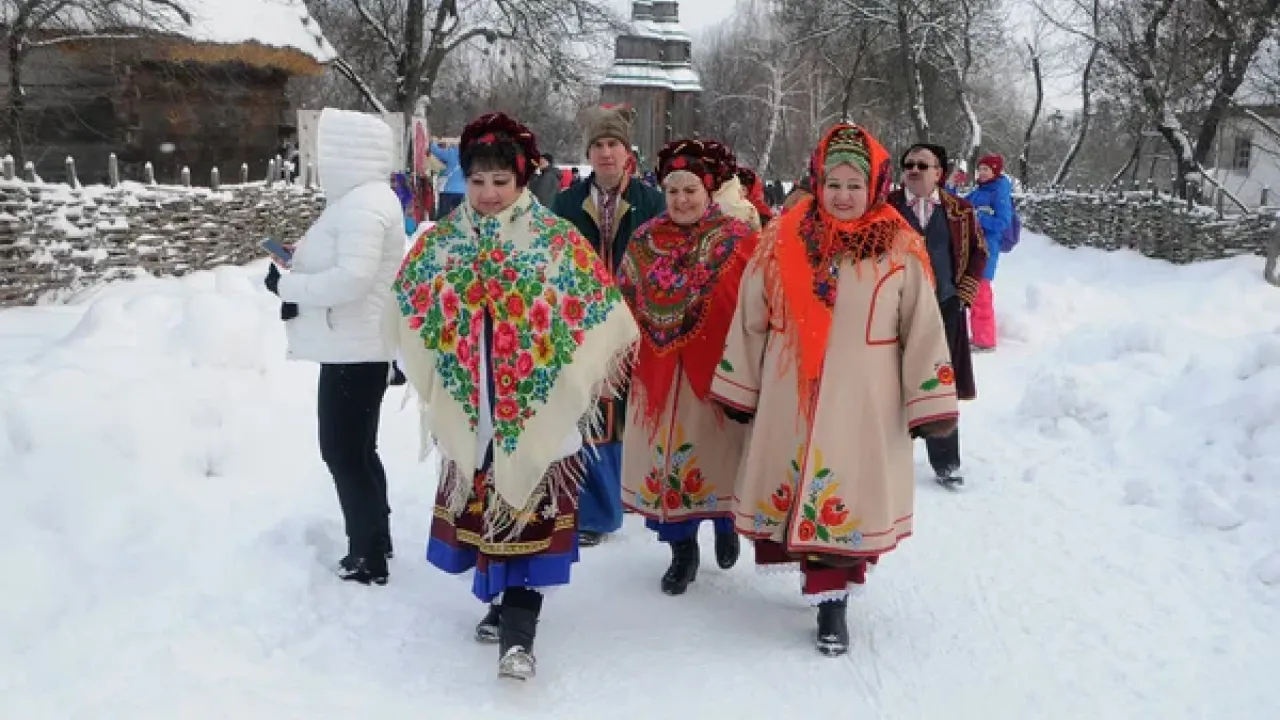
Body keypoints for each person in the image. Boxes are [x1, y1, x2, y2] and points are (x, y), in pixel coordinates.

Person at [386, 112, 638, 681]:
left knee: (528, 518)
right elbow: (410, 303)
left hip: (534, 409)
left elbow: (597, 311)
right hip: (475, 409)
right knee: (490, 510)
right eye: (477, 182)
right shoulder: (443, 243)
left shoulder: (554, 240)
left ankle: (519, 636)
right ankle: (500, 605)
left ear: (522, 182)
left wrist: (581, 372)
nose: (489, 193)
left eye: (500, 182)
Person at [710, 123, 958, 657]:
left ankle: (832, 604)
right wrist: (739, 387)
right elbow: (752, 315)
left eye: (854, 185)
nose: (842, 196)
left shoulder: (899, 245)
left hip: (864, 398)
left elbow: (922, 328)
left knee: (846, 498)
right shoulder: (783, 237)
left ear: (873, 186)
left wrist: (928, 404)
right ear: (816, 182)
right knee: (796, 489)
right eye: (833, 184)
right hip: (788, 393)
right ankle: (819, 582)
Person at [263, 108, 406, 585]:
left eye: (326, 150)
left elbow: (353, 278)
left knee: (343, 453)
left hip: (357, 350)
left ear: (346, 152)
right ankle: (375, 539)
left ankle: (367, 556)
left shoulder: (364, 206)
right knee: (359, 450)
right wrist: (297, 262)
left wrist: (289, 290)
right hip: (353, 345)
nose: (319, 159)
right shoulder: (359, 201)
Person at [617, 139, 759, 595]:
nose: (681, 200)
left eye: (691, 189)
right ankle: (681, 550)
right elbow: (622, 304)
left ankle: (724, 525)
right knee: (669, 465)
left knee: (718, 459)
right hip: (659, 376)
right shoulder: (644, 240)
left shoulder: (739, 240)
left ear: (711, 189)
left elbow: (756, 309)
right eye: (673, 190)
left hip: (716, 378)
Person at [552, 105, 665, 547]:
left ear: (627, 152)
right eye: (597, 145)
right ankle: (597, 512)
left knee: (628, 412)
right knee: (591, 410)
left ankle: (631, 492)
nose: (605, 153)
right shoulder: (565, 202)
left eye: (612, 144)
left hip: (635, 321)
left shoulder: (650, 201)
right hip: (581, 323)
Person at [888, 143, 987, 489]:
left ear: (938, 173)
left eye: (922, 165)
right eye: (908, 164)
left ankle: (946, 462)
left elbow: (979, 252)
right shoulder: (887, 208)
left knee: (939, 382)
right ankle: (887, 458)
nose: (913, 169)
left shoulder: (959, 210)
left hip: (944, 307)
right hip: (894, 310)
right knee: (889, 380)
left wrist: (964, 294)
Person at [964, 154, 1013, 352]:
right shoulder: (980, 191)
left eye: (986, 169)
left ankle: (985, 340)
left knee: (981, 293)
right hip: (974, 248)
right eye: (980, 168)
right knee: (974, 292)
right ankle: (978, 335)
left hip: (987, 249)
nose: (982, 172)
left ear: (996, 171)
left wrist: (979, 216)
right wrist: (949, 185)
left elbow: (1003, 222)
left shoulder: (999, 192)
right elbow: (958, 204)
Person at [431, 136, 466, 218]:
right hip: (463, 191)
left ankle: (442, 229)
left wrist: (433, 143)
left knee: (444, 215)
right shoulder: (469, 157)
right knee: (459, 216)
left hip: (448, 190)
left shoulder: (452, 153)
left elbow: (436, 151)